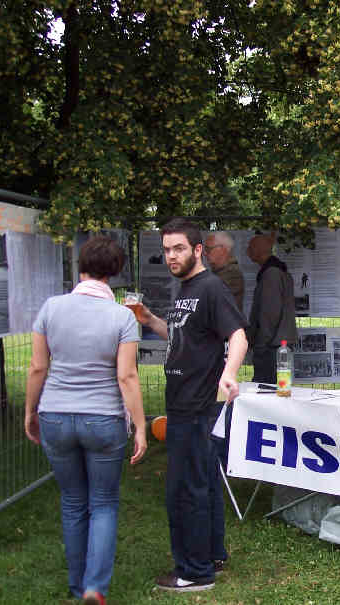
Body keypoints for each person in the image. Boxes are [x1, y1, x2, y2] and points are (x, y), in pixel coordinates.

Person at [24, 235, 147, 605]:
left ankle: (77, 586)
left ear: (80, 267)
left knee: (73, 501)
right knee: (105, 502)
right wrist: (141, 426)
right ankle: (95, 588)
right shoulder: (123, 316)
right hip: (104, 419)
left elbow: (37, 367)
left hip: (56, 416)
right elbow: (126, 377)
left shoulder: (51, 307)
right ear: (115, 273)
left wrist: (30, 411)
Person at [137, 218, 248, 593]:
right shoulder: (185, 288)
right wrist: (150, 319)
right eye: (167, 249)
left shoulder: (211, 287)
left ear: (197, 250)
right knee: (204, 483)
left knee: (186, 490)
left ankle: (195, 572)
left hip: (198, 406)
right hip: (186, 403)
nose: (171, 255)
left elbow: (238, 335)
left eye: (179, 248)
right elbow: (183, 337)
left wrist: (229, 372)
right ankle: (212, 553)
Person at [246, 233, 298, 384]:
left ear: (259, 250)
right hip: (278, 344)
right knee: (278, 388)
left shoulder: (271, 274)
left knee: (267, 389)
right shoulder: (278, 271)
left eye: (250, 247)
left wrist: (261, 345)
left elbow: (270, 314)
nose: (247, 251)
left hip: (272, 347)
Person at [204, 231, 244, 311]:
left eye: (208, 249)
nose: (205, 253)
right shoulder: (220, 271)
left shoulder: (232, 274)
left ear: (223, 250)